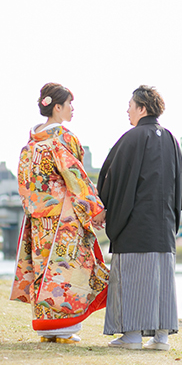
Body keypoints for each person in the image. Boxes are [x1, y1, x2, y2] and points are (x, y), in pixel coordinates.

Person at [10, 83, 109, 343]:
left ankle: (46, 329)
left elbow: (25, 185)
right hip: (63, 218)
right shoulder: (62, 138)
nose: (72, 109)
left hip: (38, 218)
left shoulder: (30, 145)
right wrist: (94, 208)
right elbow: (75, 177)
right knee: (66, 270)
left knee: (43, 270)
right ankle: (63, 329)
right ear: (57, 107)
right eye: (69, 104)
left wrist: (36, 208)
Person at [94, 85, 182, 350]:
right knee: (162, 281)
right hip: (164, 226)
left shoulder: (133, 138)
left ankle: (133, 336)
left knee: (133, 279)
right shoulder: (171, 139)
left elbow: (114, 178)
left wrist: (104, 208)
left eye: (130, 106)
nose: (127, 111)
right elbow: (179, 185)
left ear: (142, 108)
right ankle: (161, 338)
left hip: (135, 225)